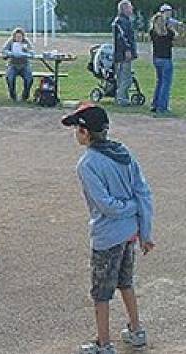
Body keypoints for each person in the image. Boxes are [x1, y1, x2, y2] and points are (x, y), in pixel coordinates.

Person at [61, 104, 154, 354]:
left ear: (84, 132)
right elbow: (143, 192)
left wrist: (128, 207)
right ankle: (136, 330)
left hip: (107, 235)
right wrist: (145, 230)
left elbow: (106, 206)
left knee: (101, 292)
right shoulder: (123, 153)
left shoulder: (88, 163)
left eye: (77, 129)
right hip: (129, 233)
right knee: (125, 281)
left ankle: (104, 344)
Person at [149, 11, 175, 116]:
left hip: (156, 59)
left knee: (159, 82)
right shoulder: (168, 33)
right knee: (166, 83)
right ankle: (162, 106)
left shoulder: (153, 32)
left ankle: (155, 104)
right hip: (166, 59)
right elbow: (176, 36)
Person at [112, 0, 137, 107]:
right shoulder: (121, 21)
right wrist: (127, 50)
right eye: (130, 7)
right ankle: (121, 98)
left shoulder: (125, 20)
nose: (132, 9)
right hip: (122, 54)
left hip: (121, 53)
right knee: (125, 77)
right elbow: (123, 37)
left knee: (124, 76)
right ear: (124, 9)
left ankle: (123, 97)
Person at [2, 27, 34, 101]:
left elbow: (32, 52)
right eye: (17, 37)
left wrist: (26, 52)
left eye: (20, 37)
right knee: (9, 77)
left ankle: (25, 95)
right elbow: (4, 50)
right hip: (13, 64)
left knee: (29, 78)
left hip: (24, 64)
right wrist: (10, 53)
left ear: (23, 36)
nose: (18, 38)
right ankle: (13, 95)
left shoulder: (26, 42)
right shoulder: (10, 42)